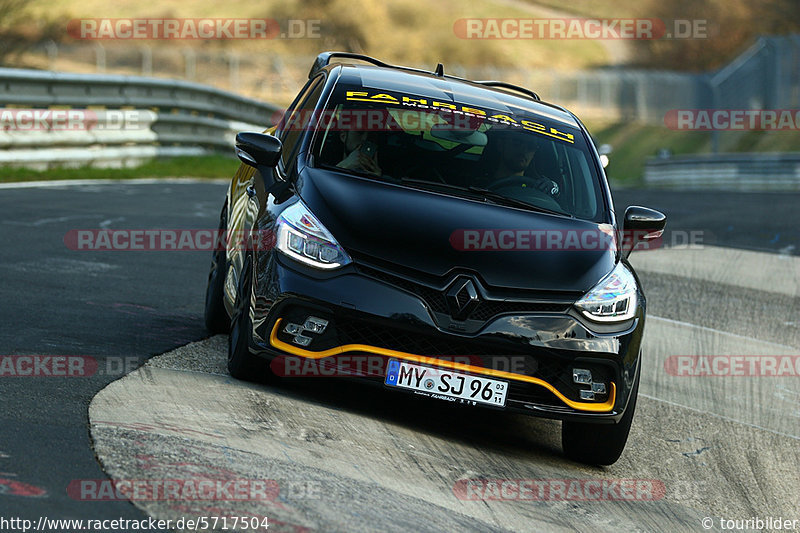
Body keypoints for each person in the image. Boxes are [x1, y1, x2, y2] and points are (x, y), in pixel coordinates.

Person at [481, 130, 559, 196]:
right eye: (517, 142)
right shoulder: (476, 184)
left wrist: (554, 188)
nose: (524, 150)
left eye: (531, 146)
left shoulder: (540, 189)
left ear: (534, 153)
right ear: (500, 145)